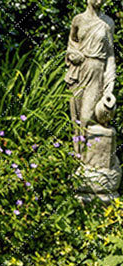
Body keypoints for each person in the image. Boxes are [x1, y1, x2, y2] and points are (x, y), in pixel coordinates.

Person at [65, 0, 116, 155]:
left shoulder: (107, 23)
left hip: (96, 72)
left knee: (87, 118)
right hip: (78, 71)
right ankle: (79, 161)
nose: (99, 0)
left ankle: (90, 159)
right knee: (76, 120)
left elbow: (110, 55)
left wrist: (110, 83)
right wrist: (72, 54)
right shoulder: (78, 20)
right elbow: (71, 44)